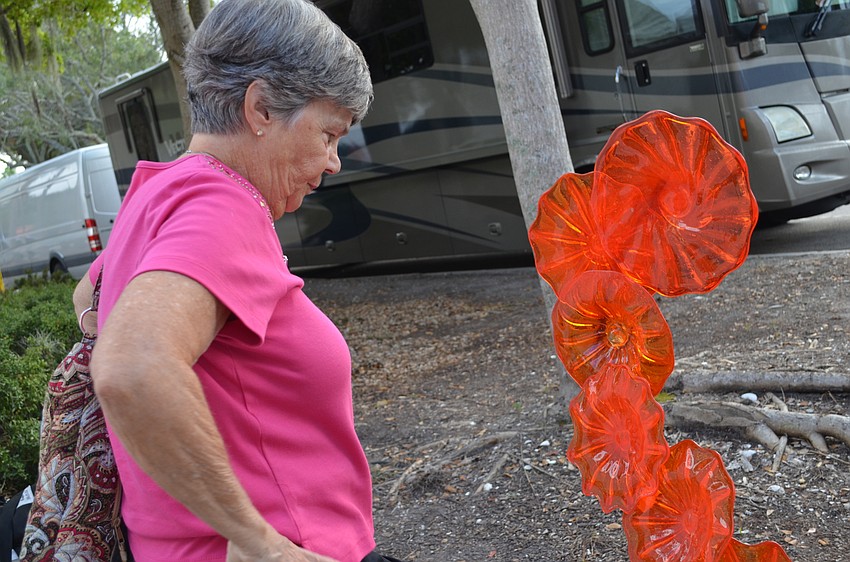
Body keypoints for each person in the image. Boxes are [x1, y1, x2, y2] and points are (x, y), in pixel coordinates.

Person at [72, 1, 398, 560]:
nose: (334, 161)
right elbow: (132, 366)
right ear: (262, 107)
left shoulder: (158, 189)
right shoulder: (224, 205)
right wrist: (263, 544)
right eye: (328, 133)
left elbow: (89, 293)